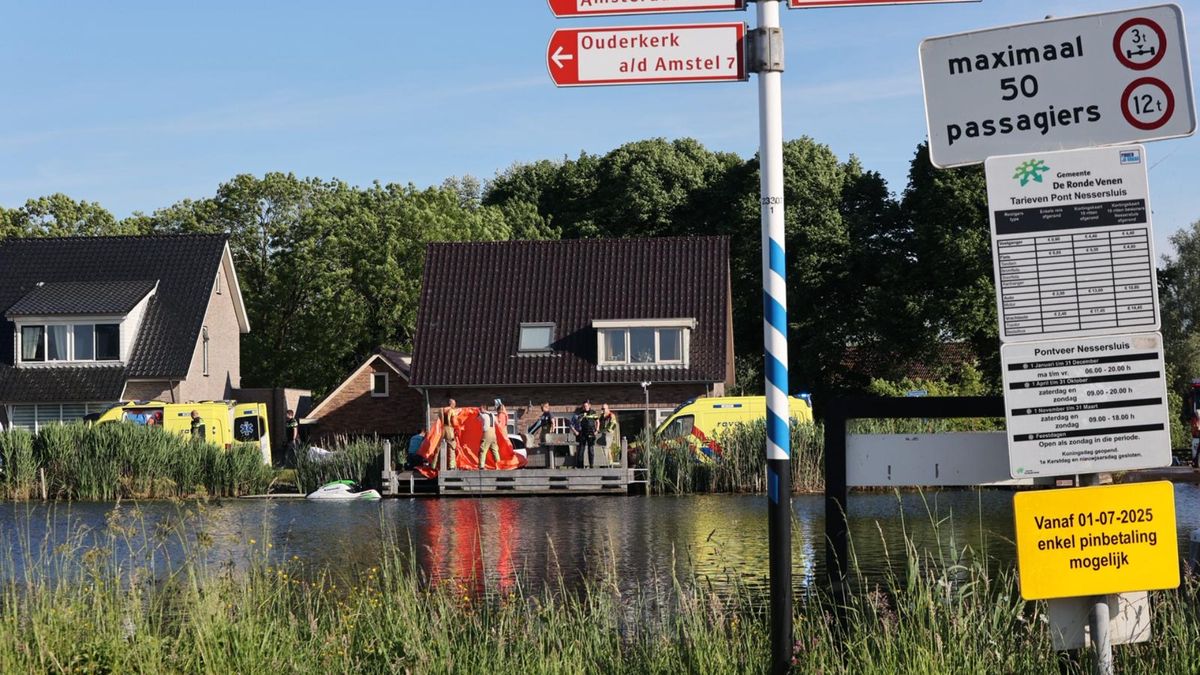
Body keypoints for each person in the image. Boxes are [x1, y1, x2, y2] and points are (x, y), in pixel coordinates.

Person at [572, 400, 599, 469]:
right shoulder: (581, 413)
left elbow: (597, 421)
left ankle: (591, 465)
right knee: (581, 449)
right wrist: (576, 430)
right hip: (583, 433)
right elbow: (577, 422)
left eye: (586, 406)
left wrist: (597, 430)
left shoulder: (593, 412)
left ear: (589, 406)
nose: (585, 407)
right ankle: (580, 466)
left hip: (591, 432)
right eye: (584, 406)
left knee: (591, 449)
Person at [478, 400, 502, 470]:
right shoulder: (492, 415)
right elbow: (497, 423)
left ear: (483, 408)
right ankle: (499, 466)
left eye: (480, 408)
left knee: (483, 450)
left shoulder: (482, 415)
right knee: (495, 450)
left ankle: (481, 466)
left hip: (487, 433)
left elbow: (477, 418)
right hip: (493, 434)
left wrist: (478, 412)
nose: (480, 409)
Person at [440, 399, 459, 469]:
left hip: (442, 430)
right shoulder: (451, 410)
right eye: (454, 404)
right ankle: (452, 466)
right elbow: (454, 422)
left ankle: (437, 465)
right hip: (449, 430)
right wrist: (457, 428)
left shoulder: (442, 410)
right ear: (451, 404)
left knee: (442, 447)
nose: (455, 405)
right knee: (452, 447)